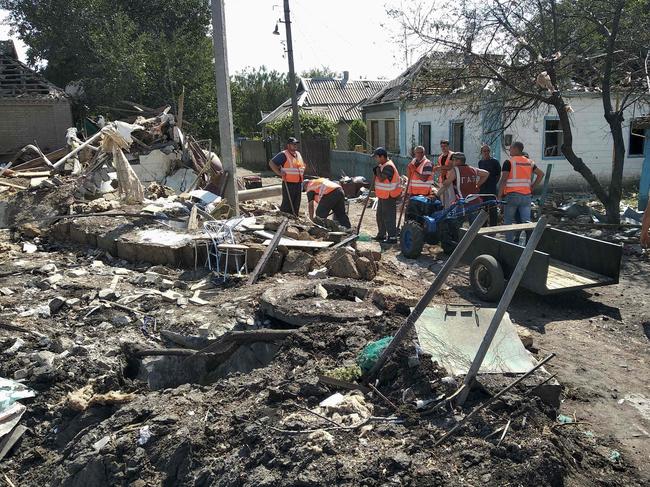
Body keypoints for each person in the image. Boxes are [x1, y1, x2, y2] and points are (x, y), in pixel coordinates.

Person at [497, 141, 545, 244]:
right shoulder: (530, 162)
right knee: (526, 222)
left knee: (508, 222)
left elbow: (503, 179)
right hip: (526, 196)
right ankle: (530, 244)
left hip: (512, 196)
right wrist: (532, 187)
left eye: (511, 148)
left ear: (516, 149)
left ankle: (509, 244)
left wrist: (499, 196)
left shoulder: (509, 162)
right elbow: (541, 174)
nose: (509, 150)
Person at [269, 137, 305, 215]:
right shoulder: (284, 154)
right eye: (293, 144)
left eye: (296, 144)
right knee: (287, 203)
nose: (295, 145)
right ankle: (284, 219)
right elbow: (271, 163)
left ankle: (294, 218)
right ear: (288, 145)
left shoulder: (298, 154)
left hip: (298, 183)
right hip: (289, 183)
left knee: (296, 203)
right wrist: (279, 173)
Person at [372, 147, 401, 243]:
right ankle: (381, 234)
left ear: (382, 157)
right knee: (380, 215)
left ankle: (392, 237)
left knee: (388, 216)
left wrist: (377, 171)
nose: (375, 159)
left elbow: (381, 178)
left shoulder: (389, 166)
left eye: (376, 157)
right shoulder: (383, 165)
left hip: (389, 195)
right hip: (382, 195)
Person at [478, 144, 501, 226]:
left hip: (491, 188)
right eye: (484, 151)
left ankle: (493, 227)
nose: (486, 152)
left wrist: (494, 182)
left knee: (492, 208)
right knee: (483, 208)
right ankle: (483, 226)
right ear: (481, 152)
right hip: (482, 189)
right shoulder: (480, 162)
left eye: (488, 151)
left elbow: (498, 175)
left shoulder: (495, 161)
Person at [434, 139, 455, 207]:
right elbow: (441, 168)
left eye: (445, 146)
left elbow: (449, 167)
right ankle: (445, 212)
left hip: (450, 179)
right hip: (443, 179)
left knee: (451, 198)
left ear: (448, 146)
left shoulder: (452, 155)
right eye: (442, 146)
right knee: (443, 199)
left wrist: (439, 167)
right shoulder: (440, 157)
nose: (443, 148)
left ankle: (452, 213)